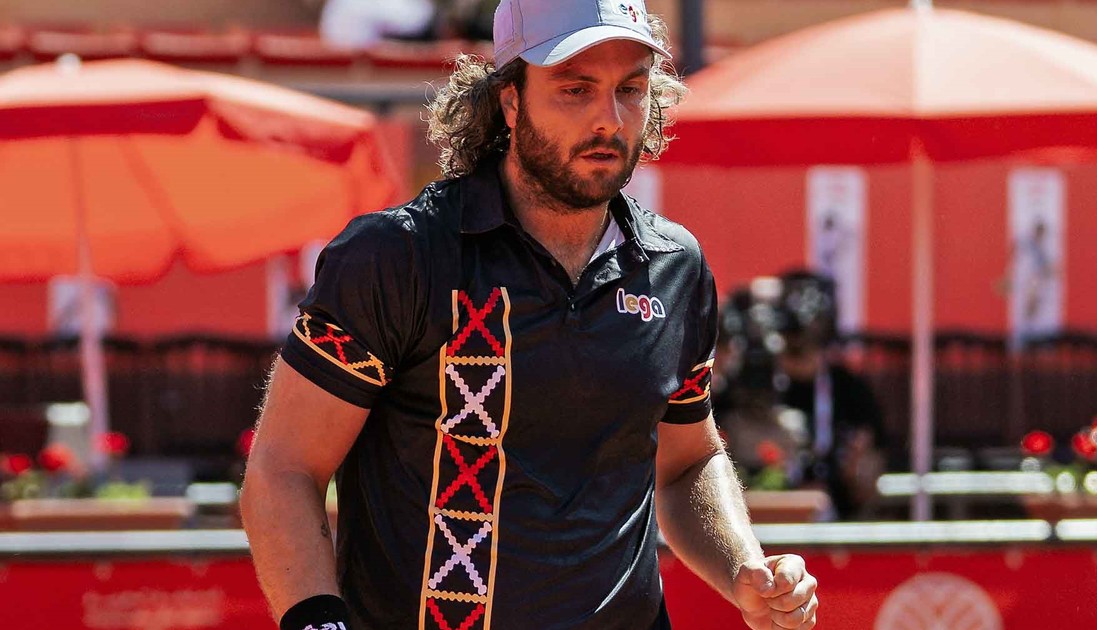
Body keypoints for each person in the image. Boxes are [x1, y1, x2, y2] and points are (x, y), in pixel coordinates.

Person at [240, 1, 819, 629]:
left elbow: (686, 462)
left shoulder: (674, 267)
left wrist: (744, 568)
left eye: (630, 89)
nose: (609, 118)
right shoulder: (398, 257)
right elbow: (284, 469)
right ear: (510, 101)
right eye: (575, 89)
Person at [775, 271, 886, 520]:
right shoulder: (757, 388)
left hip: (836, 514)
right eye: (792, 345)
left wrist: (855, 471)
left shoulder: (850, 391)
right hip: (767, 513)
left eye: (808, 345)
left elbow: (872, 468)